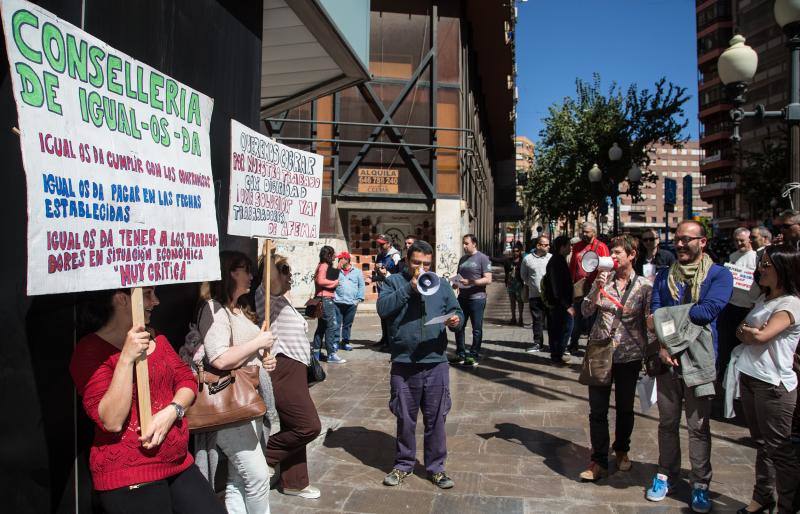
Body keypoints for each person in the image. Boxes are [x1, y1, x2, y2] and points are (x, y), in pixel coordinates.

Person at [70, 287, 226, 514]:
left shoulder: (156, 337)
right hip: (130, 474)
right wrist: (126, 358)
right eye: (148, 294)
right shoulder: (89, 350)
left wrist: (172, 411)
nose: (156, 301)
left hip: (178, 462)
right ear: (122, 299)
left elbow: (186, 380)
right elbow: (111, 421)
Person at [646, 220, 733, 513]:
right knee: (667, 423)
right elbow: (655, 312)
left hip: (701, 361)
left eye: (687, 239)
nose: (680, 244)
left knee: (698, 427)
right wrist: (663, 345)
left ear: (703, 242)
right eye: (678, 239)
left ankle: (700, 484)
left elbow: (707, 311)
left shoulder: (720, 276)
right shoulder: (663, 276)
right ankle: (665, 474)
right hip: (667, 360)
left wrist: (667, 321)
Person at [376, 240, 464, 489]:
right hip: (404, 364)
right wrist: (409, 290)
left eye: (426, 264)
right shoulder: (394, 282)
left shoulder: (442, 284)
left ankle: (436, 468)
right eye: (417, 263)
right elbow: (383, 309)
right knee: (405, 418)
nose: (422, 268)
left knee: (436, 419)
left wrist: (456, 320)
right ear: (406, 260)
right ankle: (404, 465)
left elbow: (457, 311)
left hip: (435, 362)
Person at [196, 251, 278, 513]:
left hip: (247, 400)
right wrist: (258, 342)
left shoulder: (240, 310)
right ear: (231, 272)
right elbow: (219, 358)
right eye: (246, 269)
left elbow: (247, 354)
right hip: (229, 404)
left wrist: (265, 360)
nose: (252, 275)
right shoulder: (213, 310)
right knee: (258, 476)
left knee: (237, 479)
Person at [578, 235, 652, 481]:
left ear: (632, 255)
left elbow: (649, 323)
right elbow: (586, 310)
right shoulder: (603, 280)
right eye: (612, 252)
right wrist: (596, 289)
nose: (612, 256)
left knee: (624, 408)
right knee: (597, 410)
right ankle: (598, 460)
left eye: (618, 252)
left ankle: (621, 450)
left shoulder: (644, 286)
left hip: (629, 355)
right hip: (600, 352)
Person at [734, 245, 800, 514]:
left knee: (779, 449)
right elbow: (741, 330)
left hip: (773, 385)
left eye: (766, 264)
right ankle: (762, 498)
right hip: (750, 376)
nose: (760, 268)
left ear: (783, 269)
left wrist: (752, 332)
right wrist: (751, 331)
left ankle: (788, 506)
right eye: (761, 263)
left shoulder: (791, 303)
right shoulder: (765, 299)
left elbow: (760, 336)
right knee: (761, 444)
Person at [266, 254, 324, 500]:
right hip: (283, 369)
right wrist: (271, 256)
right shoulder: (265, 297)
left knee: (294, 425)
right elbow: (269, 277)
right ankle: (263, 459)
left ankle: (295, 482)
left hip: (297, 368)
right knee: (308, 426)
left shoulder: (281, 300)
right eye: (285, 269)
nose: (290, 274)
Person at [717, 227, 759, 378]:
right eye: (736, 240)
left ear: (749, 240)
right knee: (726, 343)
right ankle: (724, 375)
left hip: (747, 306)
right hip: (731, 304)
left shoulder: (755, 257)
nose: (739, 243)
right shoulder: (733, 256)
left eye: (742, 240)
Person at [568, 222, 610, 358]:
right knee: (577, 317)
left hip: (594, 289)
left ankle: (590, 347)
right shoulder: (577, 246)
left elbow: (606, 269)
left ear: (594, 232)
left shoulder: (601, 247)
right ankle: (573, 344)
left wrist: (600, 289)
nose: (584, 234)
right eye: (582, 231)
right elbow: (573, 266)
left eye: (587, 232)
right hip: (579, 288)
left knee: (593, 319)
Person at [454, 234, 493, 366]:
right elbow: (459, 276)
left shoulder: (483, 258)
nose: (464, 246)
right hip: (462, 298)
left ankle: (474, 354)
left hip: (477, 299)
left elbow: (488, 279)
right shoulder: (462, 259)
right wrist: (456, 283)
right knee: (459, 326)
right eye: (463, 244)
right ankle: (460, 353)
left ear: (474, 243)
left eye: (466, 243)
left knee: (476, 328)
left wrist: (472, 282)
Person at [312, 246, 345, 363]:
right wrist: (335, 282)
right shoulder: (324, 266)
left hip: (322, 299)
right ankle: (331, 354)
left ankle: (316, 353)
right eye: (333, 254)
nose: (335, 256)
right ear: (329, 255)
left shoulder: (321, 265)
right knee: (331, 326)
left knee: (321, 327)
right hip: (326, 299)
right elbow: (320, 281)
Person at [544, 236, 574, 363]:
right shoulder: (556, 262)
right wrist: (567, 306)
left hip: (561, 303)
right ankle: (557, 354)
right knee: (561, 329)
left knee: (560, 329)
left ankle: (557, 354)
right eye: (569, 245)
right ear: (562, 247)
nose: (570, 248)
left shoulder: (559, 260)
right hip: (559, 304)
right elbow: (557, 287)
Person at [521, 235, 552, 352]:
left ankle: (553, 344)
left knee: (551, 320)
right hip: (535, 295)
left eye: (549, 244)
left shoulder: (551, 258)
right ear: (538, 246)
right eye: (545, 245)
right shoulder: (527, 259)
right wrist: (532, 285)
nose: (548, 246)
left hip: (549, 296)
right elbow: (524, 276)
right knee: (537, 320)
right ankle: (538, 343)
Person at [334, 251, 365, 351]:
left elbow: (361, 285)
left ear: (347, 260)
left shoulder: (357, 272)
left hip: (351, 303)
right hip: (337, 301)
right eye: (339, 259)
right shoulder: (336, 271)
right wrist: (337, 269)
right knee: (337, 324)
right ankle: (335, 342)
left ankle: (345, 342)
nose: (339, 260)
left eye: (341, 259)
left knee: (347, 324)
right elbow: (330, 279)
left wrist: (358, 299)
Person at [374, 234, 402, 347]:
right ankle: (384, 338)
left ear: (389, 244)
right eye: (379, 243)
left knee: (390, 314)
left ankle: (391, 341)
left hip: (392, 289)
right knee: (383, 313)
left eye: (382, 244)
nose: (380, 245)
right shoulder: (380, 255)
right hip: (381, 287)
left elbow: (398, 273)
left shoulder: (395, 256)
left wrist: (386, 273)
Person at [505, 244, 525, 326]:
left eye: (517, 251)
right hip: (510, 284)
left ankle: (520, 318)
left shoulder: (523, 261)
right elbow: (498, 260)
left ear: (520, 252)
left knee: (520, 301)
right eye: (513, 251)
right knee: (512, 301)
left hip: (519, 284)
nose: (515, 253)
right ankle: (513, 318)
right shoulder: (509, 261)